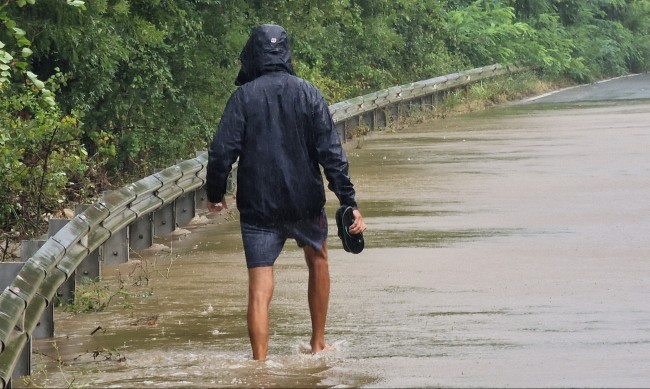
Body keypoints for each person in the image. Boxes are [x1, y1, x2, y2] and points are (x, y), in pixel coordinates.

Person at [205, 24, 366, 361]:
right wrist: (348, 202)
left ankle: (259, 363)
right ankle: (318, 343)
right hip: (305, 202)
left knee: (260, 287)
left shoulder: (243, 97)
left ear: (253, 55)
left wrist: (216, 194)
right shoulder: (309, 93)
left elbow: (222, 152)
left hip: (258, 208)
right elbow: (331, 154)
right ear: (287, 54)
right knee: (318, 259)